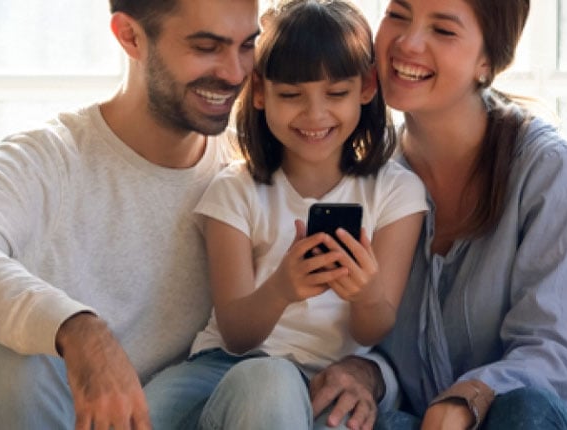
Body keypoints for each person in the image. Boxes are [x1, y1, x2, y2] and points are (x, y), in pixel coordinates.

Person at [0, 0, 264, 428]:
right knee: (2, 352)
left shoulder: (251, 170)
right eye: (207, 47)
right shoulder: (49, 157)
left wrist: (364, 369)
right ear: (130, 37)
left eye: (247, 46)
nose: (235, 73)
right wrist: (77, 329)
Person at [298, 0, 567, 428]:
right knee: (334, 410)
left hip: (539, 420)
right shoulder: (366, 181)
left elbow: (553, 351)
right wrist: (364, 374)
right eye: (398, 15)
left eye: (443, 30)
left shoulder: (548, 169)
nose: (407, 42)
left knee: (520, 411)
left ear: (487, 61)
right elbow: (376, 342)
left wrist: (468, 397)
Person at [140, 1, 427, 428]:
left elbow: (372, 330)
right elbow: (237, 333)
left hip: (324, 377)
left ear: (367, 87)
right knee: (147, 413)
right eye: (291, 95)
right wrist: (282, 288)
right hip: (221, 369)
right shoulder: (234, 190)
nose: (314, 115)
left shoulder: (396, 192)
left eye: (336, 93)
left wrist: (365, 293)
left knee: (278, 386)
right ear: (259, 92)